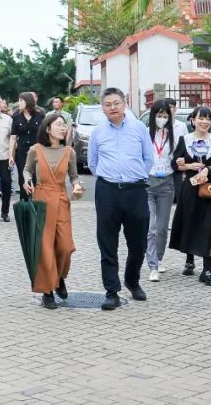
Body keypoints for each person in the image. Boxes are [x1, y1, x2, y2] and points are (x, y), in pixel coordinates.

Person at [88, 87, 154, 310]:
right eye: (108, 104)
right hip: (107, 191)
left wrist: (134, 176)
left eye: (116, 103)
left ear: (124, 104)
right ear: (103, 108)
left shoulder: (139, 128)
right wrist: (111, 177)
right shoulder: (98, 132)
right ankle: (112, 291)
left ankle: (132, 280)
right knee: (107, 242)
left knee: (138, 242)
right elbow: (93, 163)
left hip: (136, 190)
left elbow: (148, 158)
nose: (113, 108)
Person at [23, 113, 83, 309]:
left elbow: (74, 176)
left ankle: (59, 277)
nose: (63, 127)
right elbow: (27, 170)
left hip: (61, 198)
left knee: (65, 246)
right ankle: (47, 291)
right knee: (45, 247)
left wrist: (77, 186)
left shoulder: (69, 152)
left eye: (64, 125)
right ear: (48, 129)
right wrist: (27, 180)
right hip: (41, 200)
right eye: (58, 124)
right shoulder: (35, 150)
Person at [169, 106, 211, 286]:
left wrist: (208, 169)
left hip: (210, 189)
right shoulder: (185, 140)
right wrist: (185, 165)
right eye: (201, 118)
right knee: (189, 222)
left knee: (209, 226)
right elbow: (175, 163)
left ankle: (207, 270)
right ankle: (189, 259)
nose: (205, 122)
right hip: (190, 188)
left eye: (208, 118)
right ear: (193, 120)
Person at [145, 101, 176, 282]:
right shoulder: (145, 133)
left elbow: (178, 156)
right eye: (159, 115)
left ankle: (159, 257)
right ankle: (153, 265)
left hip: (166, 183)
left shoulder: (173, 134)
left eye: (165, 116)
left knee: (162, 228)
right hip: (148, 182)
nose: (162, 118)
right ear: (153, 115)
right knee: (151, 227)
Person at [9, 92, 47, 200]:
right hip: (22, 153)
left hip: (37, 152)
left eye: (21, 101)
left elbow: (45, 134)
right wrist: (11, 155)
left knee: (36, 178)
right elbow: (13, 137)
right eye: (18, 101)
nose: (19, 103)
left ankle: (37, 203)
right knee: (23, 179)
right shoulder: (16, 117)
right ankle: (25, 203)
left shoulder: (40, 116)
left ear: (28, 101)